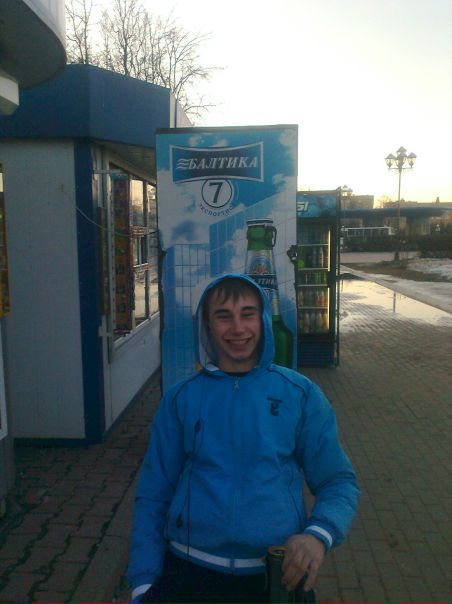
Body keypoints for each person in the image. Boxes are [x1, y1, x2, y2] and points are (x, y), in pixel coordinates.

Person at [128, 273, 359, 604]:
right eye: (224, 316)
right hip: (188, 572)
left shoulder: (300, 395)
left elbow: (338, 481)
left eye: (247, 314)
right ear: (207, 326)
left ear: (262, 320)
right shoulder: (181, 399)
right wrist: (143, 582)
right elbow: (153, 494)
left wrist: (318, 535)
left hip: (275, 577)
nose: (238, 328)